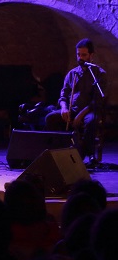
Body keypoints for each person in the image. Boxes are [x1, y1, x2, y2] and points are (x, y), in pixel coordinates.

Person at [44, 38, 106, 166]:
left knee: (91, 121)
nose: (80, 58)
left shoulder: (99, 74)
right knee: (50, 118)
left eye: (84, 55)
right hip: (73, 109)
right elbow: (63, 95)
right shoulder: (72, 73)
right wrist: (64, 108)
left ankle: (85, 155)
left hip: (89, 110)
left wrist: (80, 115)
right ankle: (56, 152)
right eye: (78, 54)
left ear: (91, 56)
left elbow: (97, 100)